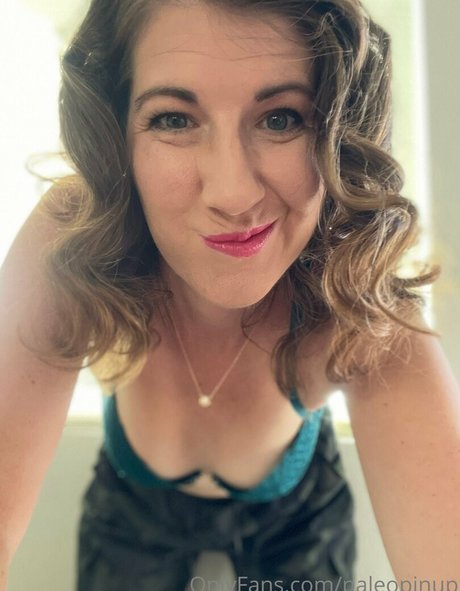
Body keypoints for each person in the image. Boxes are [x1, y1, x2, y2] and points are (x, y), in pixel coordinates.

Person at [1, 0, 459, 589]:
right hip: (133, 504)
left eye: (281, 118)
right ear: (116, 137)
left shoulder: (353, 293)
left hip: (296, 514)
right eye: (173, 119)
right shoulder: (77, 241)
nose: (233, 194)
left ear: (337, 133)